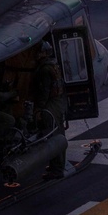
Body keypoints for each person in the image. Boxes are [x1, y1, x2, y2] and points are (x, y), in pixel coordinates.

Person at [32, 41, 68, 177]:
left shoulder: (44, 70)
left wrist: (39, 110)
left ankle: (57, 169)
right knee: (59, 133)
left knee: (53, 136)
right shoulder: (53, 65)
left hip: (50, 106)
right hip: (58, 103)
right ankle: (57, 166)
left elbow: (43, 92)